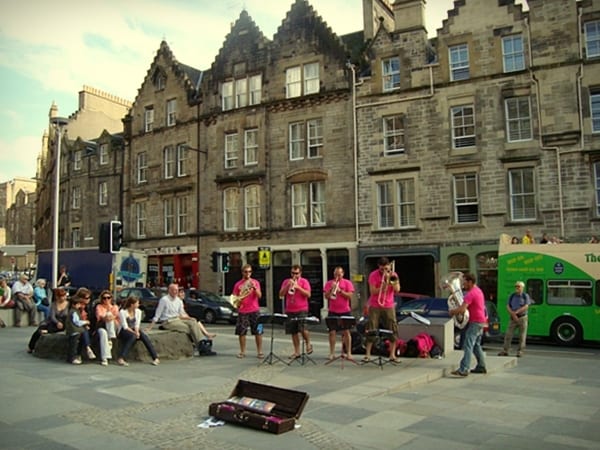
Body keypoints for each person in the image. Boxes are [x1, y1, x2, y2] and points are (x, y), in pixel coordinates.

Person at [146, 283, 215, 355]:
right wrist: (150, 327)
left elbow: (182, 313)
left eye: (176, 290)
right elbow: (157, 315)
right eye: (173, 290)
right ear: (169, 290)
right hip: (168, 321)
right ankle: (201, 347)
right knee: (188, 328)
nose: (175, 292)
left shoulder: (179, 301)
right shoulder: (164, 300)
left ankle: (202, 343)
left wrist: (191, 318)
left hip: (177, 319)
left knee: (193, 322)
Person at [449, 273, 487, 376]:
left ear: (470, 282)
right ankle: (481, 366)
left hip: (475, 321)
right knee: (476, 345)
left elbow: (462, 309)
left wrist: (452, 311)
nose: (463, 284)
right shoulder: (478, 290)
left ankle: (464, 369)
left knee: (468, 345)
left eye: (464, 282)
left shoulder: (471, 294)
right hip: (480, 321)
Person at [364, 257, 401, 362]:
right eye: (382, 269)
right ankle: (367, 355)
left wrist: (391, 281)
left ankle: (392, 354)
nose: (384, 271)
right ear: (378, 267)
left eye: (386, 268)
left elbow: (397, 289)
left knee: (392, 327)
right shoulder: (373, 275)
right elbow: (372, 291)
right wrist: (383, 286)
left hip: (388, 305)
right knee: (371, 327)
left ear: (389, 266)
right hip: (375, 305)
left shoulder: (393, 275)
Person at [279, 264, 312, 360]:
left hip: (302, 308)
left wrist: (298, 287)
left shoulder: (304, 281)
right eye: (293, 273)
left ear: (300, 273)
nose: (294, 275)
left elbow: (308, 294)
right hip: (290, 309)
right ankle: (297, 352)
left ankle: (308, 343)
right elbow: (281, 294)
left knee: (303, 328)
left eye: (296, 273)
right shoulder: (286, 281)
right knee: (293, 332)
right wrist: (288, 286)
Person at [117, 296, 159, 366]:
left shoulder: (138, 312)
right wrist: (134, 333)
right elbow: (125, 326)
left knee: (144, 336)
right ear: (132, 304)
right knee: (133, 336)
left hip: (133, 329)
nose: (138, 305)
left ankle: (155, 358)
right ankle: (121, 358)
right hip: (124, 331)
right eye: (137, 303)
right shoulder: (123, 312)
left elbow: (137, 324)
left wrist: (137, 332)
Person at [232, 264, 264, 359]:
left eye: (249, 271)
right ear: (242, 272)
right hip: (243, 310)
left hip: (255, 309)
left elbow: (259, 296)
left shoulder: (255, 282)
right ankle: (242, 351)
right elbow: (234, 298)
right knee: (241, 332)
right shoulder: (238, 284)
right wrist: (239, 300)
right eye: (246, 272)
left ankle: (260, 351)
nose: (248, 273)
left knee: (258, 331)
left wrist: (255, 288)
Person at [324, 266, 355, 361]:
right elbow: (326, 296)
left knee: (346, 331)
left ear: (343, 273)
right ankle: (332, 353)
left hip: (345, 310)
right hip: (333, 310)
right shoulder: (329, 283)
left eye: (339, 274)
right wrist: (331, 289)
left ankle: (349, 353)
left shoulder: (347, 283)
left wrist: (340, 291)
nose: (337, 275)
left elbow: (350, 296)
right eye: (336, 274)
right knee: (332, 332)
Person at [27, 287, 69, 353]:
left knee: (60, 326)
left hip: (64, 322)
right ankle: (31, 347)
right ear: (57, 297)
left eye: (64, 296)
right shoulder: (53, 304)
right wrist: (57, 322)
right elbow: (52, 316)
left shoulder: (68, 305)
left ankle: (48, 331)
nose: (63, 298)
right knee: (39, 330)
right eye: (61, 296)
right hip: (53, 321)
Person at [498, 281, 532, 358]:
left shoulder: (525, 296)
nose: (517, 288)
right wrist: (512, 314)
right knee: (508, 334)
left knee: (522, 336)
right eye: (516, 286)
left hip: (522, 317)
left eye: (519, 286)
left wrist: (516, 312)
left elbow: (526, 306)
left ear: (522, 288)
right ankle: (505, 350)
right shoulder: (512, 296)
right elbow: (507, 306)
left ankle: (520, 351)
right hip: (513, 318)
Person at [65, 288, 95, 365]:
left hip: (84, 327)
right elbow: (76, 321)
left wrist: (87, 323)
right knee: (80, 334)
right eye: (86, 298)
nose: (88, 300)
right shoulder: (74, 308)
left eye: (89, 298)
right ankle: (86, 349)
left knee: (83, 332)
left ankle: (85, 350)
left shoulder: (89, 306)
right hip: (75, 328)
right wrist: (85, 323)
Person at [94, 290, 120, 366]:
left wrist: (109, 315)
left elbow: (117, 317)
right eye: (104, 298)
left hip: (114, 326)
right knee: (103, 333)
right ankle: (104, 358)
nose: (106, 300)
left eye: (108, 298)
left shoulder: (115, 307)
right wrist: (107, 316)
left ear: (111, 298)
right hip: (102, 326)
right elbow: (100, 316)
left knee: (109, 316)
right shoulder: (99, 306)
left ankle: (110, 337)